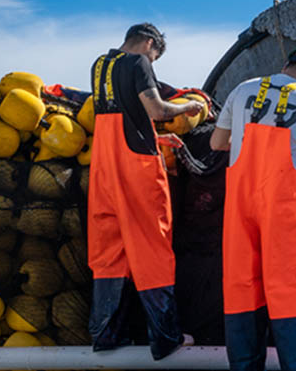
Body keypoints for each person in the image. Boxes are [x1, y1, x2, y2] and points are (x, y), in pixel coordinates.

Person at [210, 44, 296, 371]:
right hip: (284, 211)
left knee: (241, 286)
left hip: (241, 206)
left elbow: (216, 143)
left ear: (286, 64)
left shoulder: (242, 90)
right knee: (290, 288)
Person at [87, 23, 204, 359]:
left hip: (105, 167)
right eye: (156, 56)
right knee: (152, 245)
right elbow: (155, 110)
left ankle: (105, 333)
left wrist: (156, 138)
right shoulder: (138, 64)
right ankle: (166, 338)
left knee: (109, 250)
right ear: (150, 43)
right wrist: (187, 108)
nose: (153, 63)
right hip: (136, 169)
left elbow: (120, 117)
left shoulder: (99, 65)